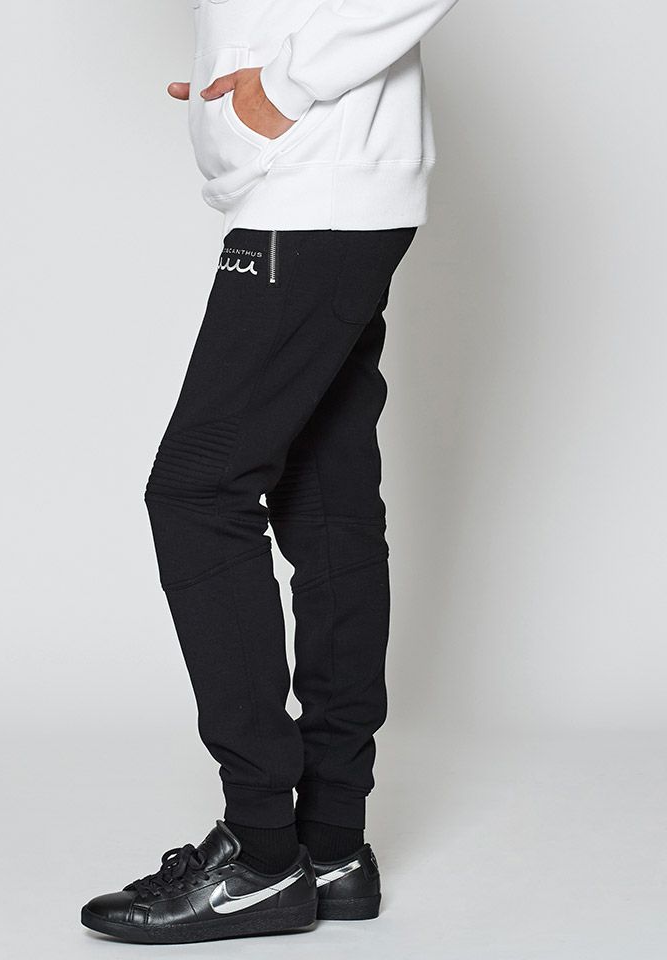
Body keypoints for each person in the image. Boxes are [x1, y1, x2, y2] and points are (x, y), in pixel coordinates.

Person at [82, 0, 460, 945]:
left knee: (197, 492)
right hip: (322, 180)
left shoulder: (306, 139)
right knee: (325, 500)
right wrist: (235, 70)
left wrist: (281, 86)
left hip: (315, 182)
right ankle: (330, 843)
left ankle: (259, 855)